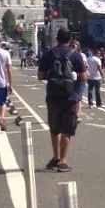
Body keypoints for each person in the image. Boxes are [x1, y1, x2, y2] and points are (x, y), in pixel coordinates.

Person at [38, 28, 87, 173]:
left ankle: (55, 157)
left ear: (56, 39)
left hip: (53, 96)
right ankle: (63, 161)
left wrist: (53, 77)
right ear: (70, 39)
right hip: (70, 97)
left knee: (54, 129)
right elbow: (83, 77)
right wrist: (71, 78)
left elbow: (40, 76)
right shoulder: (76, 55)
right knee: (68, 130)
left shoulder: (48, 54)